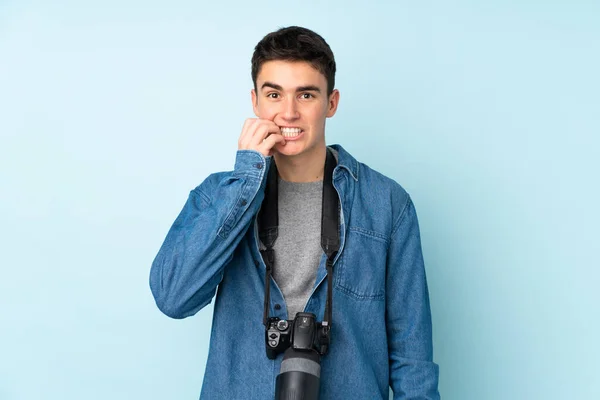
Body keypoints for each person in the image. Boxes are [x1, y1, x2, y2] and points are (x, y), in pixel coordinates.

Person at [150, 26, 440, 399]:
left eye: (306, 94)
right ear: (255, 101)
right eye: (274, 94)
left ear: (331, 103)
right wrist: (245, 180)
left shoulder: (386, 204)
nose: (288, 112)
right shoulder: (218, 196)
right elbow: (173, 297)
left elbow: (412, 358)